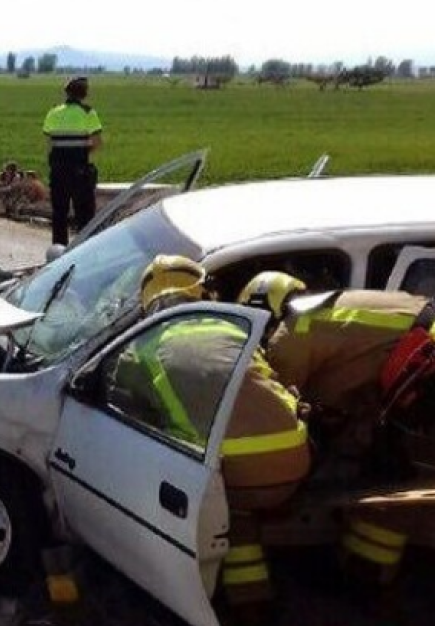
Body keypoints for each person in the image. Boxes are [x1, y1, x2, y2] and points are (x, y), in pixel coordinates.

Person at [123, 256, 311, 608]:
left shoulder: (142, 349)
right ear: (204, 292)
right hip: (295, 458)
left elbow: (118, 397)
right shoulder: (234, 326)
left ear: (148, 302)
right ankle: (257, 596)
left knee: (229, 505)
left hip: (236, 475)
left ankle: (247, 601)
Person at [245, 274, 435, 586]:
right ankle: (367, 572)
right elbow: (365, 368)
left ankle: (366, 577)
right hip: (418, 365)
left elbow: (279, 410)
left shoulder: (288, 335)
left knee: (398, 473)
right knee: (396, 471)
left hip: (423, 372)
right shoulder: (327, 310)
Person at [42, 77, 103, 246]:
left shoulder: (53, 112)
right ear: (84, 94)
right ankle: (85, 250)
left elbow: (49, 142)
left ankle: (59, 252)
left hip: (58, 171)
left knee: (59, 214)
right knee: (84, 216)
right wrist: (83, 151)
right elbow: (97, 142)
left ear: (66, 92)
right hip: (80, 172)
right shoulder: (88, 112)